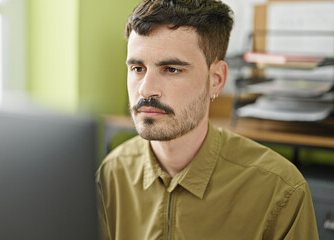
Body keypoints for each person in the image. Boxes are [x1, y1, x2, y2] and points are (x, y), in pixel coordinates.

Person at [96, 0, 319, 239]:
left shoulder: (280, 190)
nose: (146, 90)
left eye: (171, 69)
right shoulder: (111, 175)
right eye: (137, 69)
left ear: (216, 79)